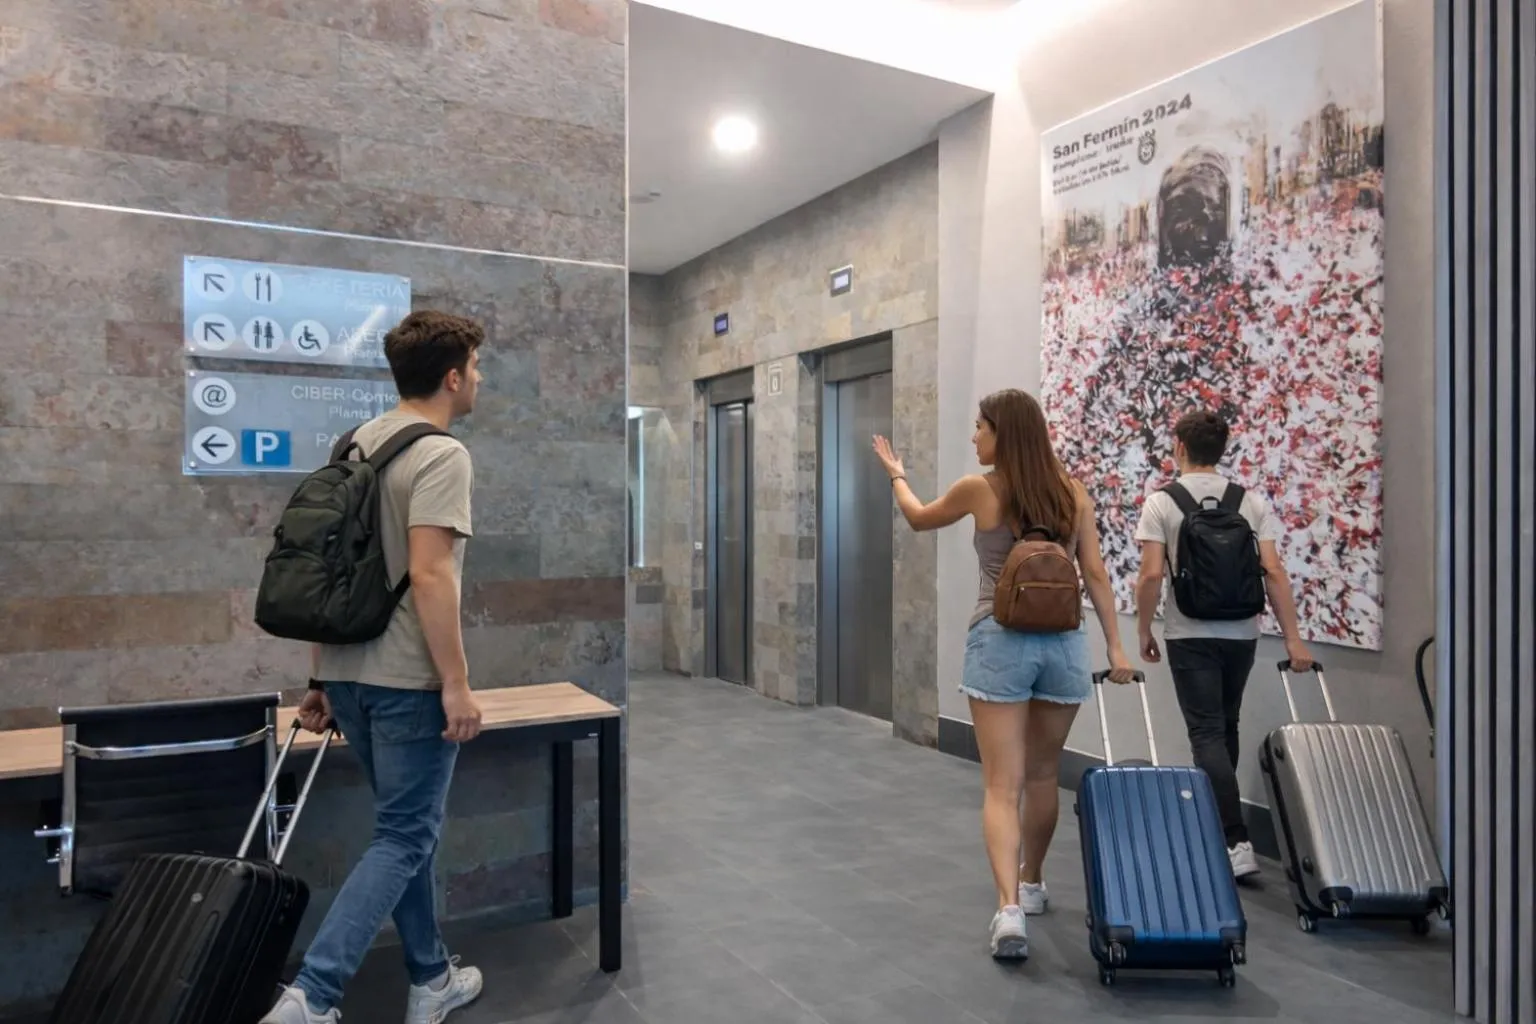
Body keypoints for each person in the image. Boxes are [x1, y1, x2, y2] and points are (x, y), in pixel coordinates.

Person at [264, 311, 488, 1024]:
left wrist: (322, 676)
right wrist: (455, 683)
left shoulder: (354, 443)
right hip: (406, 682)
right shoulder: (442, 454)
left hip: (349, 679)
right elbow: (430, 574)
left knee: (403, 829)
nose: (479, 380)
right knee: (403, 836)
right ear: (452, 377)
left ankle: (430, 979)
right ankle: (314, 996)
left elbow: (323, 573)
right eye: (477, 369)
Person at [873, 389, 1135, 962]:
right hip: (1064, 644)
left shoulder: (981, 489)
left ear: (1002, 433)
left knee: (1001, 784)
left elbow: (919, 520)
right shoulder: (1073, 494)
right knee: (1044, 778)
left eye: (979, 427)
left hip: (999, 639)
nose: (974, 436)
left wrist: (897, 476)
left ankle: (1009, 907)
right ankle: (1034, 881)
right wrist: (1116, 648)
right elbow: (1094, 574)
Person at [1133, 409, 1313, 880]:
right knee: (1225, 725)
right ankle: (1221, 829)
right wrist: (1293, 640)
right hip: (1241, 633)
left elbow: (1152, 574)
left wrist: (1143, 631)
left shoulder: (1162, 502)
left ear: (1179, 447)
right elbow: (1272, 571)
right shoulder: (1248, 501)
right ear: (1222, 450)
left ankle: (1235, 840)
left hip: (1189, 633)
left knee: (1206, 733)